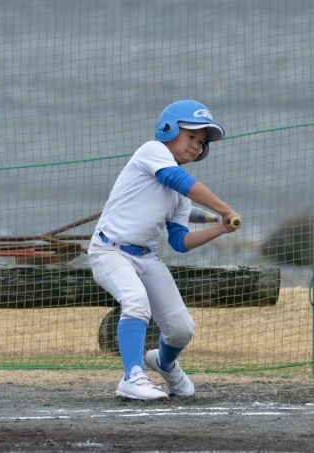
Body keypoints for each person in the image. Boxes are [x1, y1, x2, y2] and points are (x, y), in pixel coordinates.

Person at [88, 100, 241, 401]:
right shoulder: (152, 151)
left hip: (147, 257)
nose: (196, 145)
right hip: (110, 251)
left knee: (181, 329)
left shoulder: (181, 198)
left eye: (201, 142)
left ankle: (164, 363)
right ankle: (132, 377)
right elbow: (177, 179)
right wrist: (225, 209)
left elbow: (180, 242)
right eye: (191, 136)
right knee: (136, 303)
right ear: (167, 129)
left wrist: (219, 228)